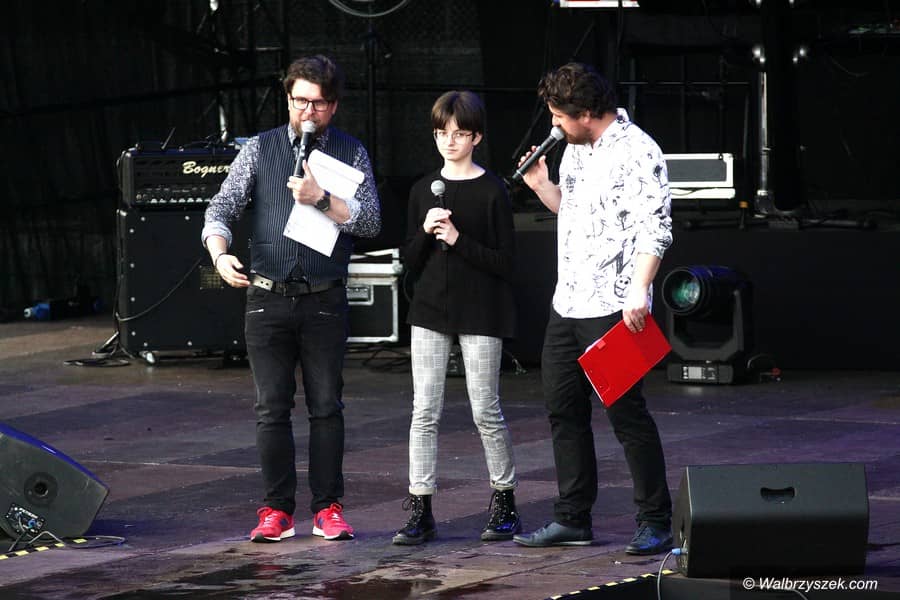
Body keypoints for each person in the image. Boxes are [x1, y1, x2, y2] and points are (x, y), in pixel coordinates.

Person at [202, 55, 381, 543]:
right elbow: (221, 207)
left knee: (326, 406)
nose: (308, 112)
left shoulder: (350, 151)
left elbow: (370, 222)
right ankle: (276, 510)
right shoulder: (259, 149)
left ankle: (328, 508)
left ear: (334, 106)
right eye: (300, 101)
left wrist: (321, 198)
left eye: (318, 104)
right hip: (267, 297)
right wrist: (220, 254)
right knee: (271, 407)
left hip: (324, 297)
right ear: (287, 99)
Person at [511, 63, 674, 555]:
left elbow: (656, 228)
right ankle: (572, 517)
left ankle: (655, 519)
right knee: (563, 409)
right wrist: (542, 186)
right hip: (569, 301)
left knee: (626, 414)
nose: (554, 125)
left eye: (559, 117)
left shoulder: (639, 151)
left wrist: (639, 289)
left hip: (615, 305)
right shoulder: (575, 150)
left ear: (585, 113)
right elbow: (576, 212)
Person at [392, 90, 521, 545]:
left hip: (481, 310)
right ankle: (420, 507)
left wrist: (457, 238)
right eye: (441, 133)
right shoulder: (423, 189)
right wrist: (426, 233)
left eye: (460, 134)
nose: (450, 141)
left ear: (476, 138)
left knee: (485, 409)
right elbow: (409, 260)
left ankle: (505, 502)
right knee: (424, 410)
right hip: (430, 310)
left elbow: (506, 261)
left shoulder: (492, 190)